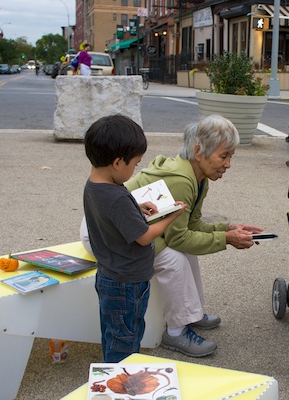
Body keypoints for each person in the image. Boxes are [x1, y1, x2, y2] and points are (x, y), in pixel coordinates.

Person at [80, 114, 264, 357]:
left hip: (127, 221)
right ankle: (177, 330)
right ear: (199, 151)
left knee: (181, 249)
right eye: (224, 156)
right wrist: (226, 240)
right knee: (174, 257)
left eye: (231, 156)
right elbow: (178, 237)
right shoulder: (181, 180)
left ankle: (191, 313)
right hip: (110, 233)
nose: (228, 164)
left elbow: (192, 223)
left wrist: (226, 229)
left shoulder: (198, 176)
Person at [83, 114, 186, 362]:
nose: (136, 169)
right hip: (127, 284)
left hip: (109, 275)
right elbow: (144, 237)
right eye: (136, 163)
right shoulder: (117, 197)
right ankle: (122, 384)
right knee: (126, 341)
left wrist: (135, 207)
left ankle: (113, 372)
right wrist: (171, 215)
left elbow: (112, 212)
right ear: (118, 162)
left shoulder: (94, 185)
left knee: (114, 333)